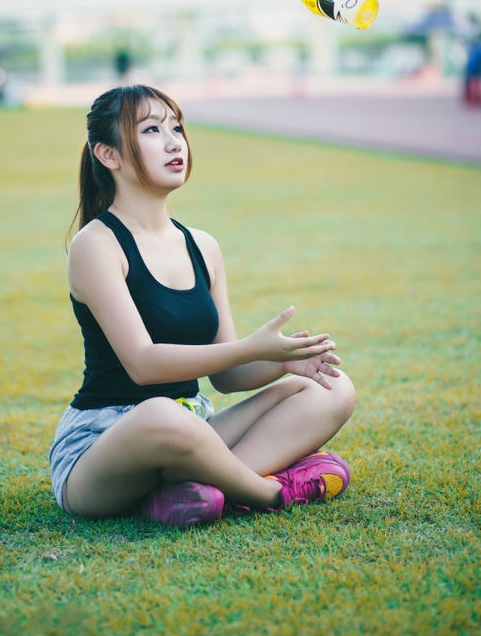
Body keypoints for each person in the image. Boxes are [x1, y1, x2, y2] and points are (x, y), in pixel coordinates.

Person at [49, 85, 356, 529]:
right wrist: (254, 347)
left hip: (194, 427)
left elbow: (228, 377)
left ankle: (197, 494)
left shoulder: (202, 246)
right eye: (152, 130)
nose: (175, 142)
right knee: (160, 411)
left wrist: (284, 360)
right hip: (103, 447)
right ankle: (269, 492)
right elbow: (143, 365)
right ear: (108, 155)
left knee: (334, 387)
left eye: (177, 127)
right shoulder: (96, 244)